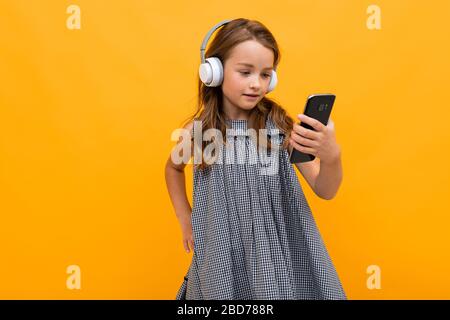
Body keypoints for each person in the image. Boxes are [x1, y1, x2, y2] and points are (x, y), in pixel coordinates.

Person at [165, 18, 346, 299]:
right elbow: (173, 168)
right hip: (224, 253)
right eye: (245, 72)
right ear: (213, 71)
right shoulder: (198, 133)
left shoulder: (280, 128)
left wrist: (332, 157)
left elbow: (325, 189)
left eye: (265, 74)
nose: (256, 84)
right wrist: (185, 217)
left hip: (278, 254)